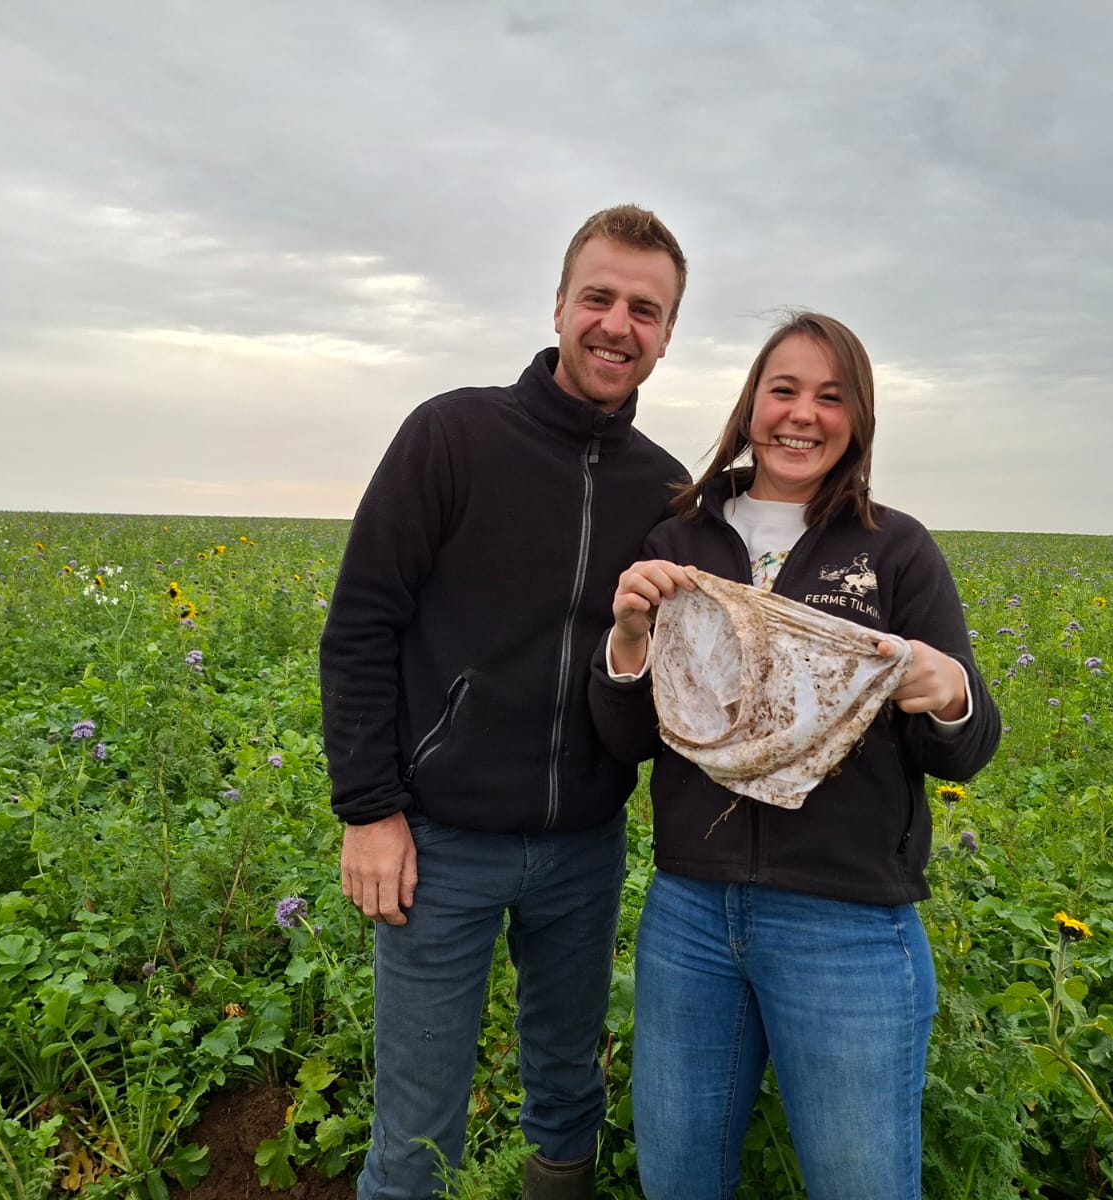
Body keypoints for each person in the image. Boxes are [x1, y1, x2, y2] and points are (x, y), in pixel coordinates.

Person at [318, 205, 689, 1200]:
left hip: (584, 845)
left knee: (568, 1090)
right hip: (439, 843)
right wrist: (369, 807)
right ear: (560, 305)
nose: (617, 324)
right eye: (599, 298)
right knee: (418, 1121)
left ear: (666, 333)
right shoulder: (453, 435)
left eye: (644, 310)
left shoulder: (665, 494)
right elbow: (360, 626)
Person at [589, 312, 1001, 1200]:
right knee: (678, 1178)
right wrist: (629, 643)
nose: (802, 415)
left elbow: (968, 750)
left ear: (858, 419)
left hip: (848, 928)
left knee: (861, 1183)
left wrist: (949, 691)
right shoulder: (679, 543)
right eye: (784, 390)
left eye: (830, 396)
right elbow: (629, 743)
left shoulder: (894, 548)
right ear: (750, 405)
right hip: (691, 918)